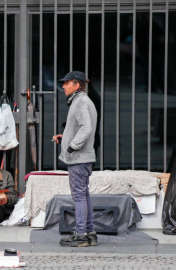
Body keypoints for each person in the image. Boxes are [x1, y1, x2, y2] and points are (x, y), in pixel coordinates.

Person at [52, 71, 98, 247]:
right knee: (84, 195)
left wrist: (72, 146)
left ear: (77, 85)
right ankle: (90, 233)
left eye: (67, 83)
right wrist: (66, 138)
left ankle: (81, 234)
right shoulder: (84, 101)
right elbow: (81, 128)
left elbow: (85, 129)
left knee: (79, 196)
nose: (63, 86)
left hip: (79, 158)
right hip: (83, 157)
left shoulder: (80, 102)